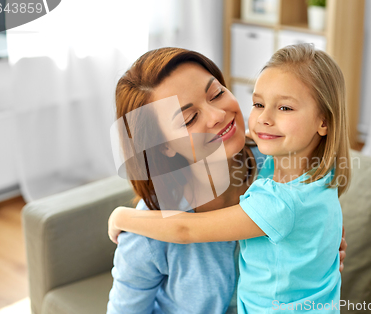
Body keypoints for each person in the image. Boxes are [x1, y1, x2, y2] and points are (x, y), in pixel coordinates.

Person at [108, 44, 351, 313]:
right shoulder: (148, 230)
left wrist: (317, 258)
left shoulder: (280, 164)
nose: (218, 115)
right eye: (189, 119)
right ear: (162, 145)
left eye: (216, 94)